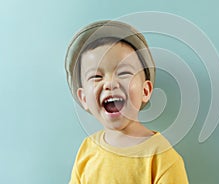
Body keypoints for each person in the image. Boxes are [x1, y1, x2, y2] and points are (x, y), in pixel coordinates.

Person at [65, 20, 189, 183]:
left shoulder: (161, 158)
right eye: (96, 77)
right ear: (83, 98)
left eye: (123, 73)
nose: (110, 84)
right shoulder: (86, 151)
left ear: (145, 91)